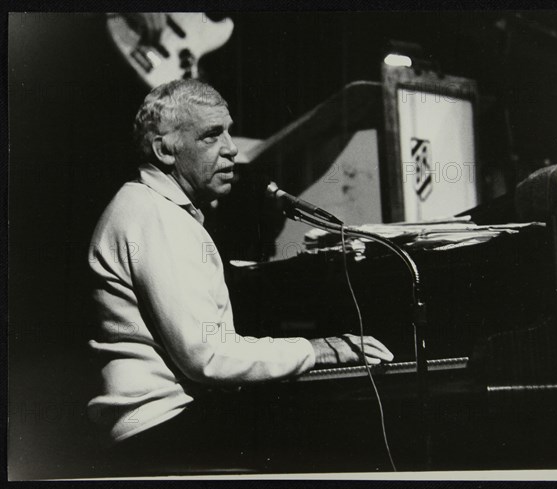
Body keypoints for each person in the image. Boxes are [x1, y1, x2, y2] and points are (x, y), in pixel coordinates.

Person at [87, 79, 394, 475]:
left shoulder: (157, 208)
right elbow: (209, 357)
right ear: (165, 150)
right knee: (335, 435)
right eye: (212, 135)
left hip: (166, 423)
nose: (232, 149)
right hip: (158, 429)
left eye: (228, 131)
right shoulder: (155, 217)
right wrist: (318, 350)